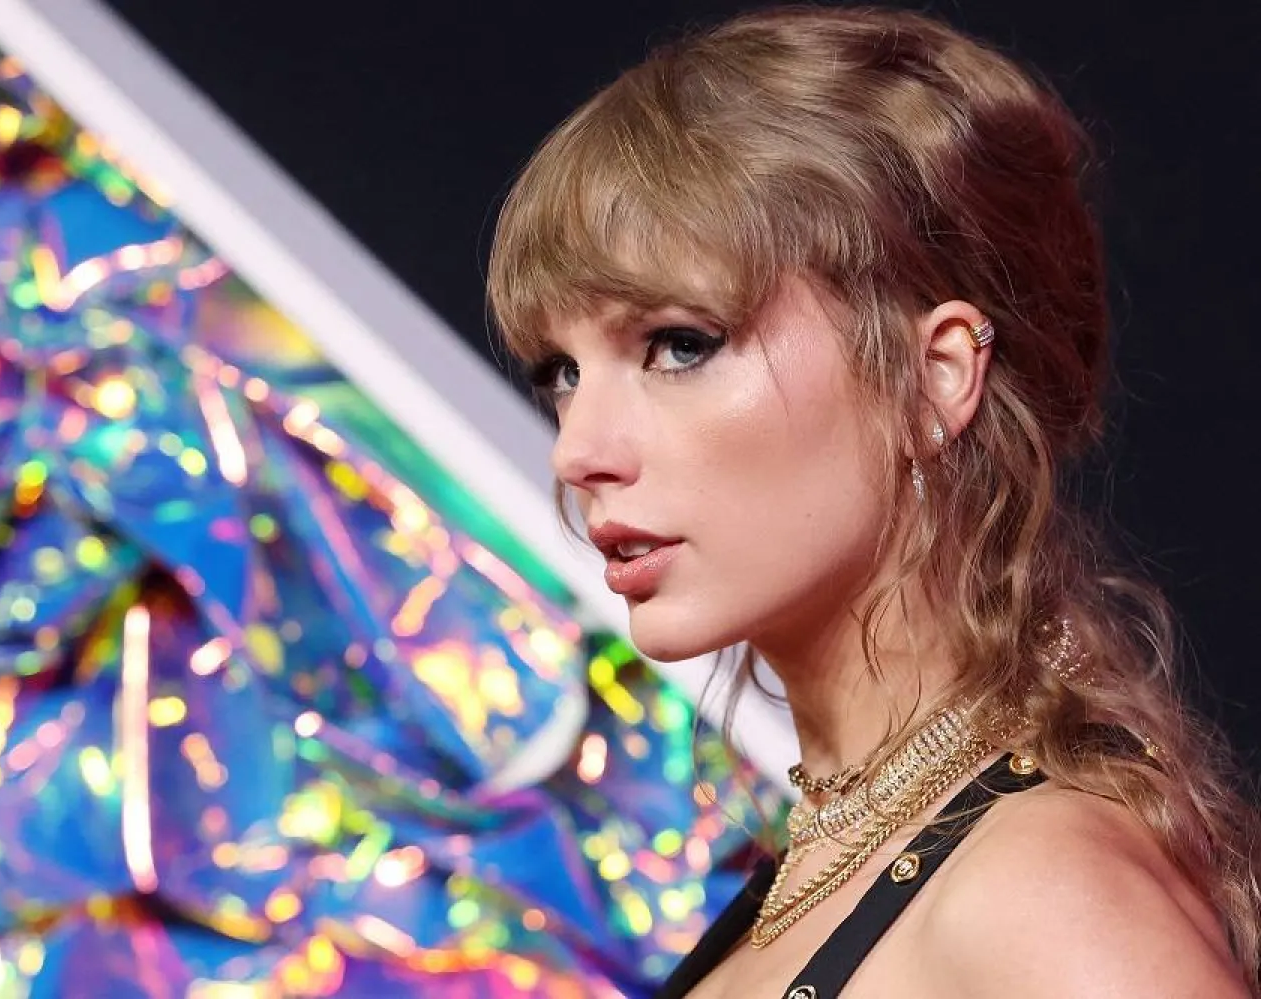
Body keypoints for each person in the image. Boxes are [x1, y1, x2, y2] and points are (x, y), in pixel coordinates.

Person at [486, 6, 1260, 998]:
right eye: (560, 373)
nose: (579, 450)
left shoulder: (1041, 901)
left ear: (935, 376)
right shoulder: (830, 867)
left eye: (681, 344)